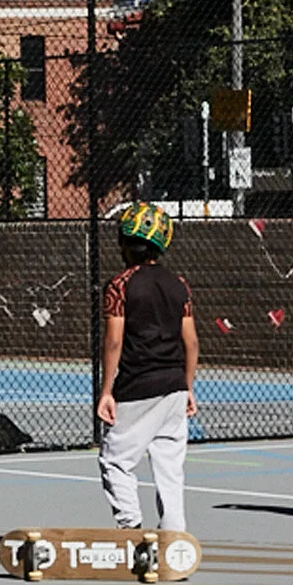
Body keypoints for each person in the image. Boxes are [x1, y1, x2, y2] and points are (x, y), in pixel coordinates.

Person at [97, 203, 199, 534]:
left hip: (137, 386)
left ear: (126, 243)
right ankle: (174, 535)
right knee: (170, 467)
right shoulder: (179, 284)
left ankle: (132, 531)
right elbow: (192, 342)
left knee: (115, 460)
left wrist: (106, 391)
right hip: (173, 385)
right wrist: (188, 387)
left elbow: (114, 341)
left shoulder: (120, 284)